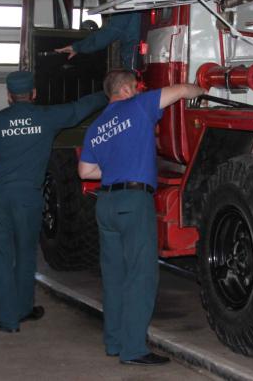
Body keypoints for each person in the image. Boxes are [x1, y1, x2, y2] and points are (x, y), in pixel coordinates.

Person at [0, 70, 107, 333]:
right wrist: (107, 92)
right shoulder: (47, 117)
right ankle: (24, 309)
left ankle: (8, 320)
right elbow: (81, 108)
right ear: (34, 93)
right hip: (28, 199)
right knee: (25, 255)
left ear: (9, 95)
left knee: (0, 258)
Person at [78, 69, 204, 365]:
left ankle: (114, 342)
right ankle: (133, 350)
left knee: (114, 277)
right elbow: (183, 90)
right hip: (133, 203)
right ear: (128, 88)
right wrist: (203, 90)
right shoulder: (138, 104)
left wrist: (114, 170)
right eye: (136, 86)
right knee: (141, 276)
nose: (139, 90)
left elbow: (85, 172)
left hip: (106, 203)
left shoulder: (96, 126)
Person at [55, 0, 144, 71]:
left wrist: (77, 47)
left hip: (135, 62)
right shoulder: (149, 3)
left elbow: (106, 35)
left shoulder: (126, 8)